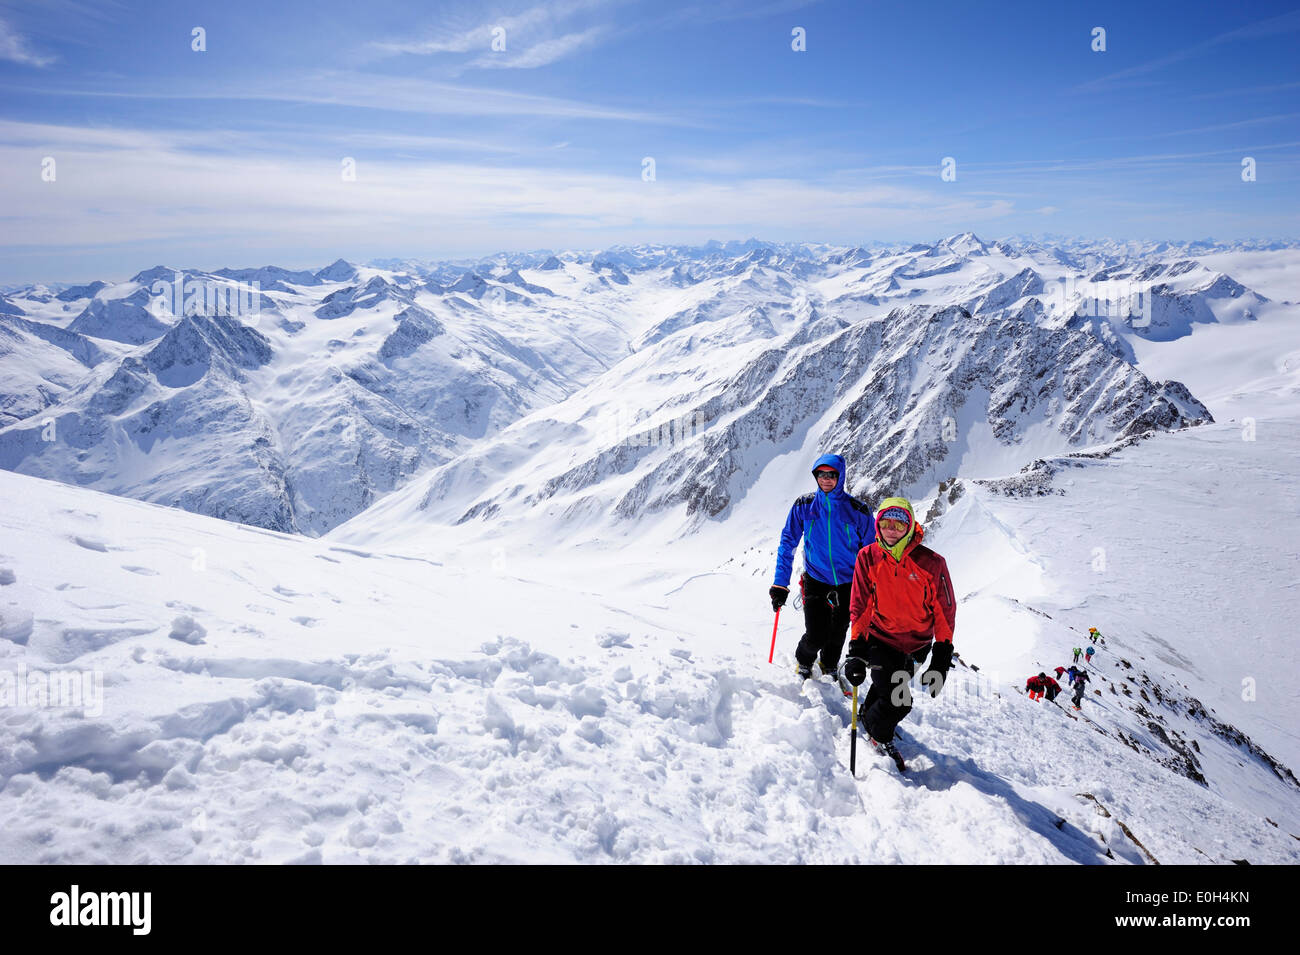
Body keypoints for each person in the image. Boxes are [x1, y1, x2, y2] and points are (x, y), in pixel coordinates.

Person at [841, 498, 956, 765]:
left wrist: (940, 659)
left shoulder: (931, 564)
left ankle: (869, 715)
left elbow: (944, 612)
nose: (892, 529)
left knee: (890, 688)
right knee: (899, 702)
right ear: (877, 525)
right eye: (886, 523)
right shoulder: (867, 557)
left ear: (910, 526)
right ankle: (878, 734)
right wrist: (857, 649)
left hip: (918, 646)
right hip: (881, 639)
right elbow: (861, 605)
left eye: (899, 523)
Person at [769, 453, 874, 685]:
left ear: (841, 476)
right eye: (821, 474)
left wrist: (873, 587)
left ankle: (828, 665)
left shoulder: (858, 511)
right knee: (816, 634)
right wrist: (780, 583)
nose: (826, 479)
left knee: (837, 635)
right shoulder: (804, 505)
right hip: (815, 579)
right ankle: (804, 661)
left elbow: (872, 553)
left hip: (849, 583)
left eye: (831, 474)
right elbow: (788, 542)